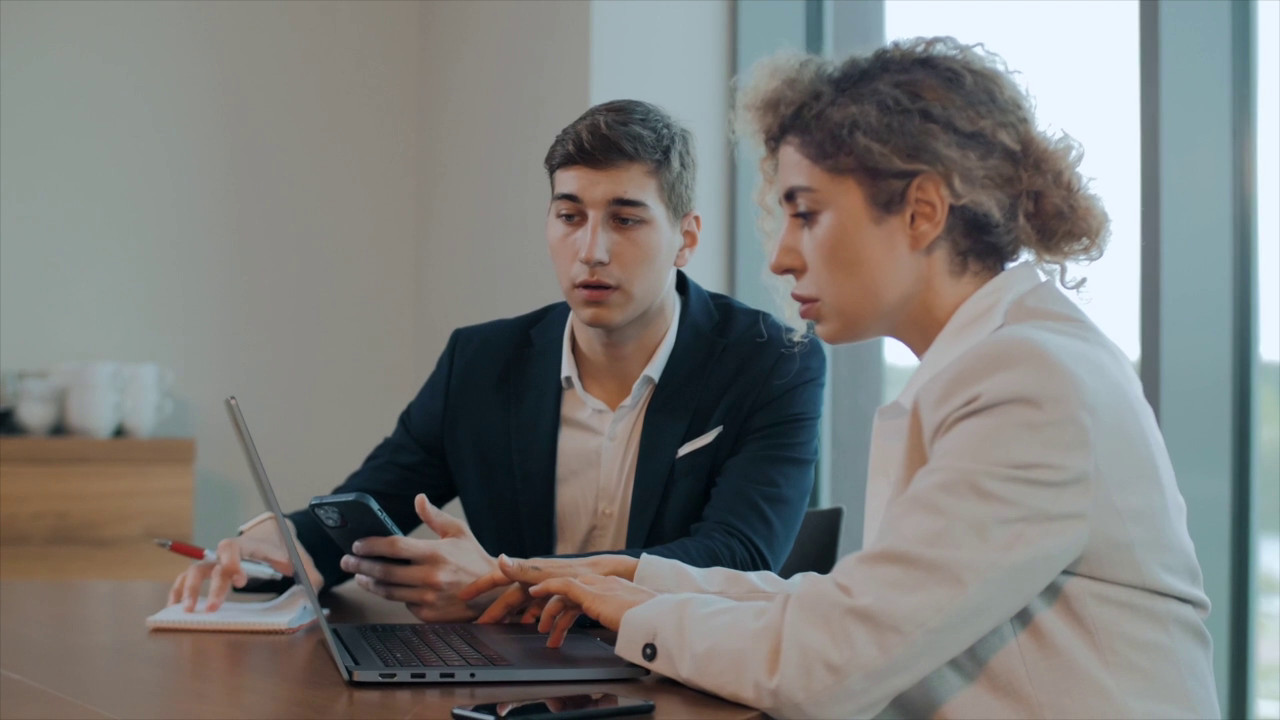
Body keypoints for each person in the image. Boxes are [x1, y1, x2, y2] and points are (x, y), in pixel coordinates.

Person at [462, 39, 1220, 719]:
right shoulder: (995, 362)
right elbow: (853, 609)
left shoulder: (1031, 383)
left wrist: (635, 613)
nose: (782, 256)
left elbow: (828, 661)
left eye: (807, 214)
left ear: (922, 211)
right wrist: (644, 579)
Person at [166, 99, 825, 622]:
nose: (591, 250)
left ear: (686, 237)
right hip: (508, 686)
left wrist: (507, 584)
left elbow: (736, 560)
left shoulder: (774, 362)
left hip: (684, 683)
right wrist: (281, 548)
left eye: (625, 220)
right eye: (570, 216)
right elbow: (373, 505)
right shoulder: (481, 362)